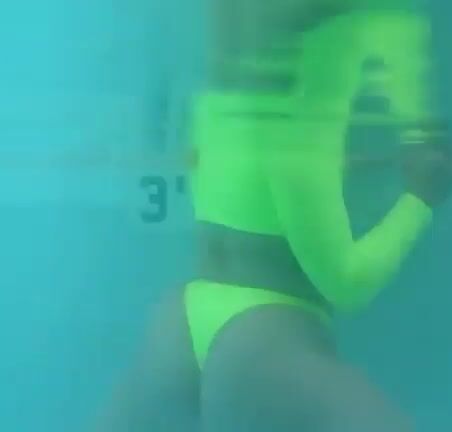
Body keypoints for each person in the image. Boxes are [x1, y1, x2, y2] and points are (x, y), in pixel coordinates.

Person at [94, 1, 452, 431]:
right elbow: (346, 282)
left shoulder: (225, 74)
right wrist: (420, 200)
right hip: (267, 334)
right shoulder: (298, 138)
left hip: (181, 324)